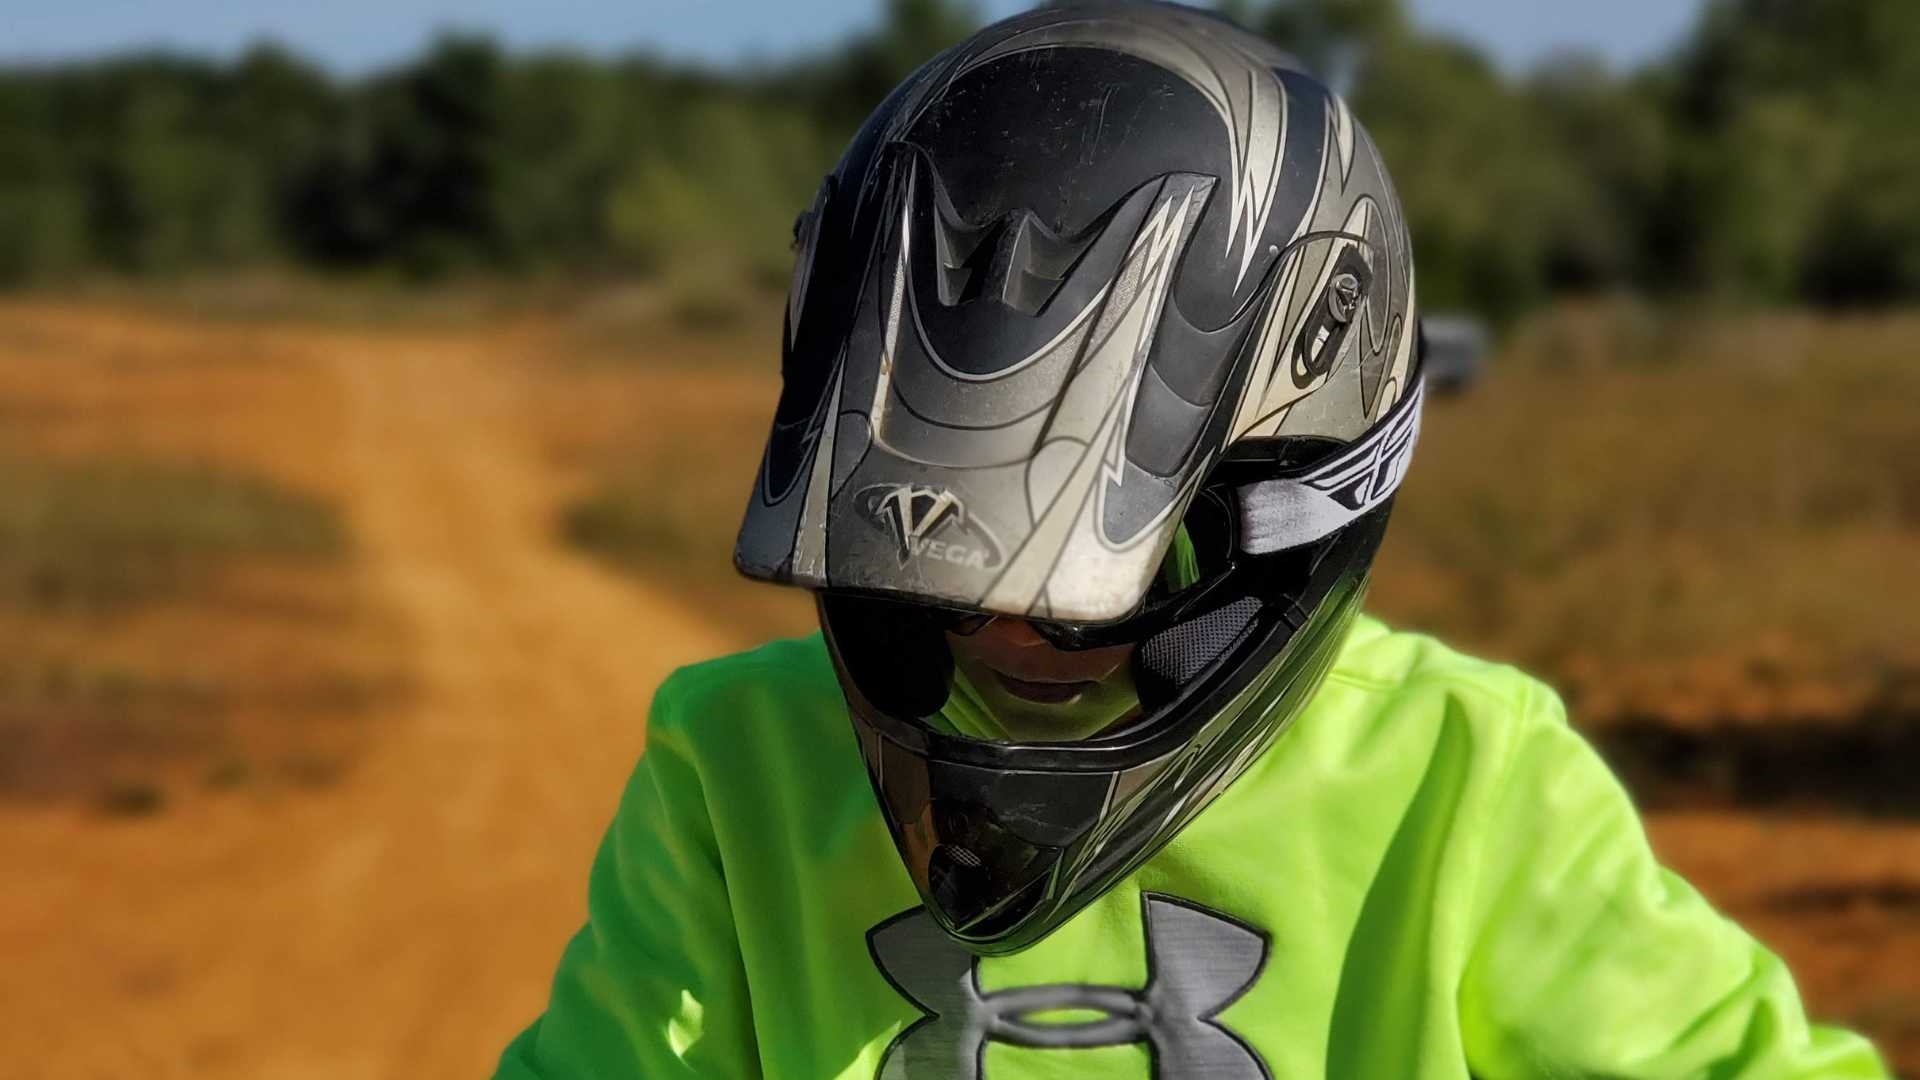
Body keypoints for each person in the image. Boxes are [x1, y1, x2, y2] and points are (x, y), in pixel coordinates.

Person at [494, 4, 1889, 1076]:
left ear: (1292, 517)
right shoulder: (734, 768)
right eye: (935, 583)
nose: (1011, 630)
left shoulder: (1461, 783)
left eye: (1108, 591)